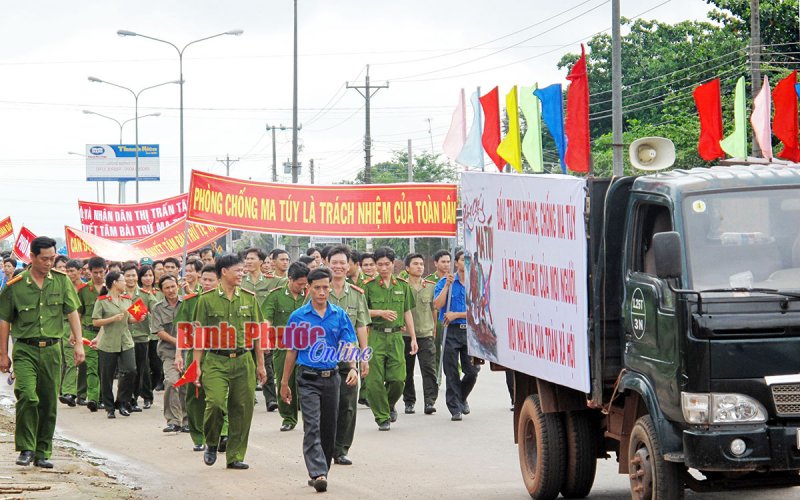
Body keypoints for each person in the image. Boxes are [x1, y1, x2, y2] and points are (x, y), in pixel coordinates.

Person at [0, 236, 84, 468]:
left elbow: (73, 312)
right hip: (25, 349)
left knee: (48, 402)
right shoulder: (15, 286)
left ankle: (42, 451)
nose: (49, 263)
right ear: (33, 257)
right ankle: (26, 448)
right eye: (44, 259)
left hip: (52, 350)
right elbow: (4, 320)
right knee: (27, 395)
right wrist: (3, 354)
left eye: (52, 258)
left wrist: (78, 343)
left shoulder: (61, 281)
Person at [280, 267, 359, 493]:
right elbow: (291, 352)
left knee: (328, 428)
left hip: (332, 377)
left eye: (326, 287)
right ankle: (318, 472)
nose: (322, 292)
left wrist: (352, 367)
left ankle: (321, 467)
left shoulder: (339, 315)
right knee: (312, 425)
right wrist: (285, 383)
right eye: (317, 288)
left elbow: (347, 343)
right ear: (309, 289)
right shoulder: (298, 317)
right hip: (308, 378)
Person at [193, 254, 267, 470]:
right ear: (224, 272)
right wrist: (196, 365)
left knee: (242, 410)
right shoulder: (205, 300)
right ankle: (212, 442)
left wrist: (260, 365)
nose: (241, 274)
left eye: (243, 271)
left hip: (244, 360)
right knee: (215, 403)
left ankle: (235, 455)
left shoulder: (249, 298)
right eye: (237, 270)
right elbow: (199, 336)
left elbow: (258, 335)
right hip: (216, 360)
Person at [362, 246, 418, 430]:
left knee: (398, 379)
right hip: (375, 336)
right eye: (380, 264)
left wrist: (414, 338)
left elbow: (407, 312)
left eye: (387, 264)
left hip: (396, 337)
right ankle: (382, 417)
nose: (384, 268)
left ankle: (387, 404)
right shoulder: (368, 287)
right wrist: (380, 312)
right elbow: (361, 313)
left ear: (394, 264)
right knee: (374, 380)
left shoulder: (402, 286)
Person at [174, 265, 227, 452]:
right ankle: (198, 436)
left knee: (219, 396)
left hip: (219, 355)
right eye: (203, 279)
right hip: (195, 354)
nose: (206, 283)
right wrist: (178, 354)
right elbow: (182, 329)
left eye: (210, 280)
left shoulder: (227, 301)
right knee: (195, 396)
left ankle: (222, 434)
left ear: (220, 281)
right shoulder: (190, 301)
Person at [324, 246, 370, 465]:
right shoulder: (318, 290)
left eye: (343, 263)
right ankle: (325, 446)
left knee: (348, 404)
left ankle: (341, 449)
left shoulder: (356, 293)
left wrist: (364, 357)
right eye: (335, 263)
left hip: (348, 356)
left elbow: (361, 325)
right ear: (327, 263)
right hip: (323, 357)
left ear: (349, 265)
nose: (339, 267)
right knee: (327, 406)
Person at [262, 261, 309, 431]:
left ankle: (309, 416)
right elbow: (266, 318)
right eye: (299, 283)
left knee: (307, 380)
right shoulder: (275, 296)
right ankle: (288, 417)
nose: (303, 287)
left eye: (305, 283)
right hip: (283, 346)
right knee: (285, 379)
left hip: (307, 346)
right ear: (290, 279)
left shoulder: (310, 295)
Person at [433, 250, 479, 421]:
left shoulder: (475, 283)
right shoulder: (446, 281)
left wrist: (457, 314)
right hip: (450, 331)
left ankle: (461, 397)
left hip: (469, 332)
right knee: (451, 371)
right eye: (462, 260)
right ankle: (455, 409)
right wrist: (446, 286)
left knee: (472, 371)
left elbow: (478, 311)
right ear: (457, 263)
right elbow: (437, 305)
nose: (465, 263)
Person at [241, 247, 284, 412]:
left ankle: (271, 399)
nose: (249, 262)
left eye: (252, 258)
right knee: (247, 364)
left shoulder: (272, 281)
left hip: (264, 329)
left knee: (266, 363)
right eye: (247, 259)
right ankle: (248, 397)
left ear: (261, 261)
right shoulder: (241, 281)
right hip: (244, 328)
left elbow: (286, 285)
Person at [91, 271, 138, 419]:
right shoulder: (102, 300)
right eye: (123, 280)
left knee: (130, 370)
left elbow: (128, 319)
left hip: (125, 340)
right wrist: (111, 319)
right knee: (107, 375)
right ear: (114, 283)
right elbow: (95, 321)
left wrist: (137, 319)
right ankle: (109, 407)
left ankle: (122, 402)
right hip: (108, 342)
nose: (125, 283)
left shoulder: (126, 299)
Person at [150, 275, 188, 433]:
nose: (171, 290)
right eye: (167, 288)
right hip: (169, 351)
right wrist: (177, 342)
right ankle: (173, 420)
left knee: (187, 385)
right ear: (161, 291)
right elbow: (158, 330)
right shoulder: (158, 308)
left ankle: (188, 420)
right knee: (172, 382)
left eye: (173, 286)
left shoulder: (187, 303)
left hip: (189, 351)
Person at [403, 253, 439, 415]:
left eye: (421, 264)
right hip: (405, 336)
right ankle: (409, 401)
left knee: (428, 369)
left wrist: (434, 331)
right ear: (407, 268)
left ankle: (429, 401)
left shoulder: (430, 286)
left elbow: (434, 310)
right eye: (415, 264)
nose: (419, 267)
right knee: (406, 371)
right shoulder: (402, 286)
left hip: (425, 334)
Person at [122, 263, 154, 412]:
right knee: (128, 370)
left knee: (139, 370)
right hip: (123, 337)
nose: (131, 278)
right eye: (128, 275)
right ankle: (124, 399)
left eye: (133, 275)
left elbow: (158, 308)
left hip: (141, 338)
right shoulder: (118, 294)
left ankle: (133, 399)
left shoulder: (145, 295)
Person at [77, 256, 106, 412]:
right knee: (92, 366)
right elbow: (79, 313)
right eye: (95, 272)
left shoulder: (111, 288)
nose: (98, 275)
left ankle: (103, 397)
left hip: (107, 332)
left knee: (105, 367)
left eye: (101, 272)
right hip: (88, 332)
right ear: (89, 272)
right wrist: (76, 334)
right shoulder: (83, 290)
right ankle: (93, 398)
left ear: (105, 271)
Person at [58, 259, 84, 407]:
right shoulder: (62, 286)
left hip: (80, 328)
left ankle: (73, 392)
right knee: (64, 360)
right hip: (62, 326)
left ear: (80, 271)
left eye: (72, 271)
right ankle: (66, 390)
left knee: (75, 361)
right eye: (67, 271)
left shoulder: (86, 289)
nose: (69, 274)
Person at [427, 250, 451, 372]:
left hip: (449, 319)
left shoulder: (454, 279)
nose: (446, 264)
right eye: (443, 262)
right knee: (435, 350)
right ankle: (437, 378)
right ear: (436, 263)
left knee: (451, 351)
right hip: (435, 319)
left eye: (448, 262)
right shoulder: (429, 281)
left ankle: (453, 377)